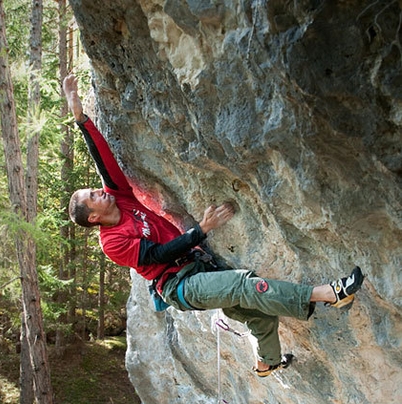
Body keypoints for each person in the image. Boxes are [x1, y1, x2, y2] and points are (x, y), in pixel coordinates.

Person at [63, 74, 364, 377]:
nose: (99, 190)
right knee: (243, 284)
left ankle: (267, 363)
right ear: (93, 217)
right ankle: (330, 294)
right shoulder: (112, 242)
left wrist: (81, 119)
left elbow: (103, 160)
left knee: (260, 315)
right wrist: (200, 230)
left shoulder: (119, 197)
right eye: (93, 195)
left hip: (197, 267)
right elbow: (157, 255)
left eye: (95, 189)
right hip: (179, 285)